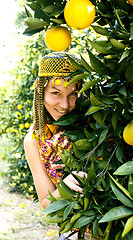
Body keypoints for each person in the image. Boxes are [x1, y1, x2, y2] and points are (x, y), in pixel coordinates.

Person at [24, 52, 87, 239]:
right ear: (40, 91)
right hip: (76, 229)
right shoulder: (34, 140)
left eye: (73, 94)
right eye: (55, 93)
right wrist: (66, 187)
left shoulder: (91, 119)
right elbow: (45, 201)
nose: (65, 104)